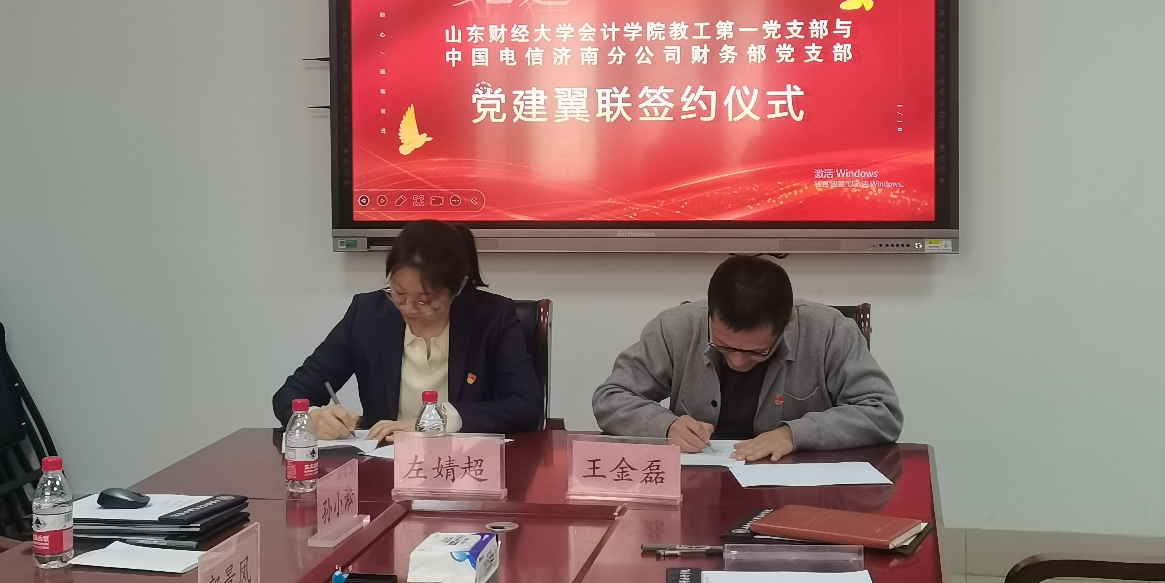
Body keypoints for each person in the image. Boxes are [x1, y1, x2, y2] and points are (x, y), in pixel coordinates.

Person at [592, 255, 902, 462]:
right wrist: (665, 426)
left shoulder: (830, 332)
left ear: (788, 322)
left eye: (756, 351)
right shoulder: (676, 327)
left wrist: (795, 434)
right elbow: (611, 398)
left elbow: (882, 412)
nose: (738, 362)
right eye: (723, 346)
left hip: (795, 491)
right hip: (697, 488)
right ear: (709, 315)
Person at [273, 221, 543, 440]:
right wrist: (312, 418)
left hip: (465, 467)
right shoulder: (368, 315)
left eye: (426, 299)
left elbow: (526, 406)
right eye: (399, 294)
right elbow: (290, 393)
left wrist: (437, 421)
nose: (410, 307)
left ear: (458, 288)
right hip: (385, 467)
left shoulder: (492, 317)